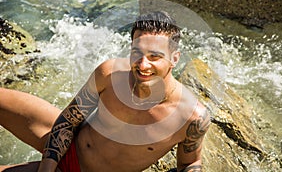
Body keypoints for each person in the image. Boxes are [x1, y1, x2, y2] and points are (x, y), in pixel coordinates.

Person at [0, 11, 210, 172]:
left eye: (154, 57)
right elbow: (68, 121)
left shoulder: (192, 117)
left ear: (174, 58)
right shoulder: (110, 73)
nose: (143, 65)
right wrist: (47, 167)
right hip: (71, 144)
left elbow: (189, 163)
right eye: (137, 53)